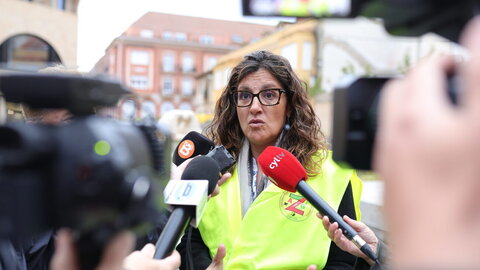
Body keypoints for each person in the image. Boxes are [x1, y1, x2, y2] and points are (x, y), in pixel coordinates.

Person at [181, 50, 364, 269]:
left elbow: (345, 258)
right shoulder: (212, 167)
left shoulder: (330, 171)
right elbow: (191, 239)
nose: (254, 107)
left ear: (290, 105)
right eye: (245, 96)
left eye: (269, 95)